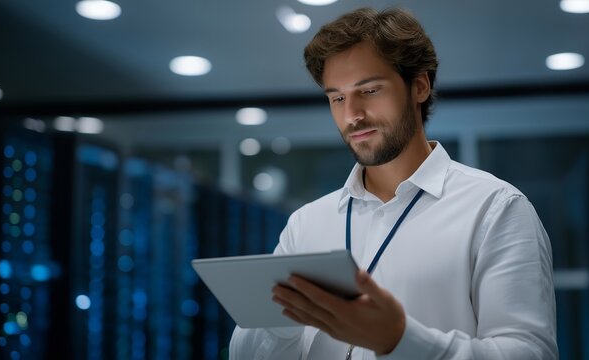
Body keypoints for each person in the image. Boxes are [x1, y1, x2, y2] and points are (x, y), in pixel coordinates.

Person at [229, 7, 558, 359]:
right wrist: (283, 317)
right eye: (337, 98)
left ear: (419, 85)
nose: (352, 114)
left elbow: (528, 353)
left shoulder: (495, 209)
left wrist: (400, 339)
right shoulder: (306, 223)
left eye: (369, 90)